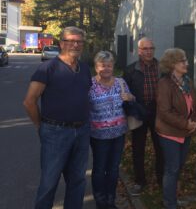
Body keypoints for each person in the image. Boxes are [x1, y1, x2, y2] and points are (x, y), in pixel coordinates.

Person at [23, 26, 92, 209]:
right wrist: (41, 126)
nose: (75, 44)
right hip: (55, 132)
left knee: (77, 181)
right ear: (62, 43)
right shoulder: (47, 68)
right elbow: (29, 101)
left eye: (79, 41)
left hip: (82, 131)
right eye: (71, 40)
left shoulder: (85, 69)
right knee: (49, 182)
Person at [155, 48, 196, 209]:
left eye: (186, 60)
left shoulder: (187, 81)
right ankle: (170, 203)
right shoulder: (164, 83)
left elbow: (194, 104)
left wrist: (195, 121)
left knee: (178, 167)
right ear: (173, 64)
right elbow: (164, 112)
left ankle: (173, 198)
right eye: (183, 61)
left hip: (186, 131)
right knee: (172, 168)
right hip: (170, 133)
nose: (187, 63)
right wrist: (185, 124)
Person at [89, 51, 134, 209]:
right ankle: (100, 202)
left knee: (114, 169)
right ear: (96, 67)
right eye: (103, 65)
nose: (106, 68)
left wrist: (130, 97)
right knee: (100, 169)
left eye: (109, 65)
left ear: (113, 66)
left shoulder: (120, 82)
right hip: (98, 135)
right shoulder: (90, 84)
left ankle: (110, 200)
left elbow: (131, 98)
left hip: (119, 134)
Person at [123, 37, 163, 195]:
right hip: (139, 113)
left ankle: (161, 179)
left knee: (160, 148)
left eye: (151, 48)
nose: (148, 51)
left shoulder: (162, 68)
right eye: (145, 49)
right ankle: (140, 181)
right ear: (139, 51)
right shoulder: (131, 69)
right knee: (138, 149)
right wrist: (130, 111)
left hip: (158, 113)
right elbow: (125, 92)